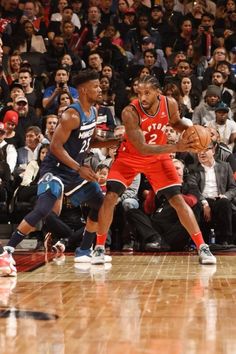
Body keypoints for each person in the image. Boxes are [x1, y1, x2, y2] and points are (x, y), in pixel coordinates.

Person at [0, 69, 119, 276]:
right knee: (44, 209)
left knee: (101, 205)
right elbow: (55, 147)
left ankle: (84, 250)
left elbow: (89, 141)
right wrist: (79, 167)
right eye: (95, 86)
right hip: (55, 170)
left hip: (74, 171)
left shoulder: (93, 111)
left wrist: (116, 141)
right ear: (83, 90)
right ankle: (7, 252)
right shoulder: (71, 115)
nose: (100, 89)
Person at [91, 75, 216, 265]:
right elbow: (142, 148)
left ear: (158, 92)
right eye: (139, 93)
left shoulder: (170, 104)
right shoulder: (129, 112)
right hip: (130, 156)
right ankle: (99, 248)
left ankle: (202, 247)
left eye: (147, 93)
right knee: (110, 197)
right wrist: (177, 147)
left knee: (178, 201)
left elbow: (176, 123)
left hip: (158, 157)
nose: (142, 98)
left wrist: (194, 131)